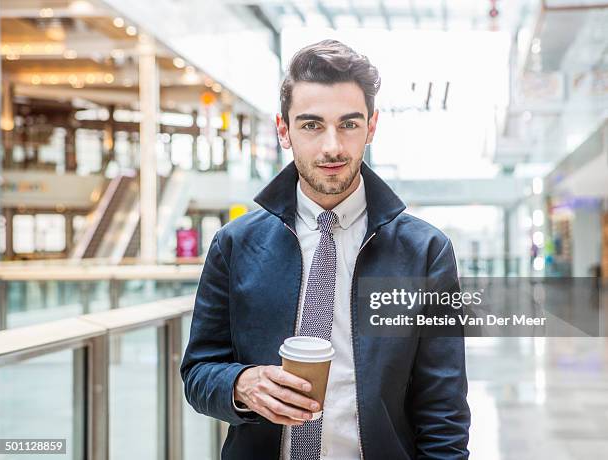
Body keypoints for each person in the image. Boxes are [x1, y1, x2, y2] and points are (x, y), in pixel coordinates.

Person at [181, 39, 470, 459]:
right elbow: (199, 372)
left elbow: (443, 407)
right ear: (284, 130)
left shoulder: (425, 251)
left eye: (349, 124)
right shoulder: (235, 244)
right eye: (311, 125)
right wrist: (241, 384)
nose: (332, 147)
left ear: (371, 127)